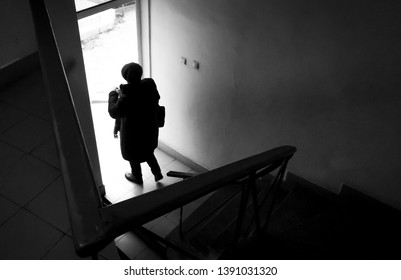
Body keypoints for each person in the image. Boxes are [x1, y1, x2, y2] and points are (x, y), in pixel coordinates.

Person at [108, 62, 163, 184]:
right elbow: (155, 98)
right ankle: (157, 172)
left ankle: (137, 177)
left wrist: (113, 94)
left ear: (125, 77)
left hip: (133, 134)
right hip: (149, 128)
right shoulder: (149, 86)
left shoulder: (126, 96)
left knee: (133, 156)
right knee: (148, 151)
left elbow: (114, 112)